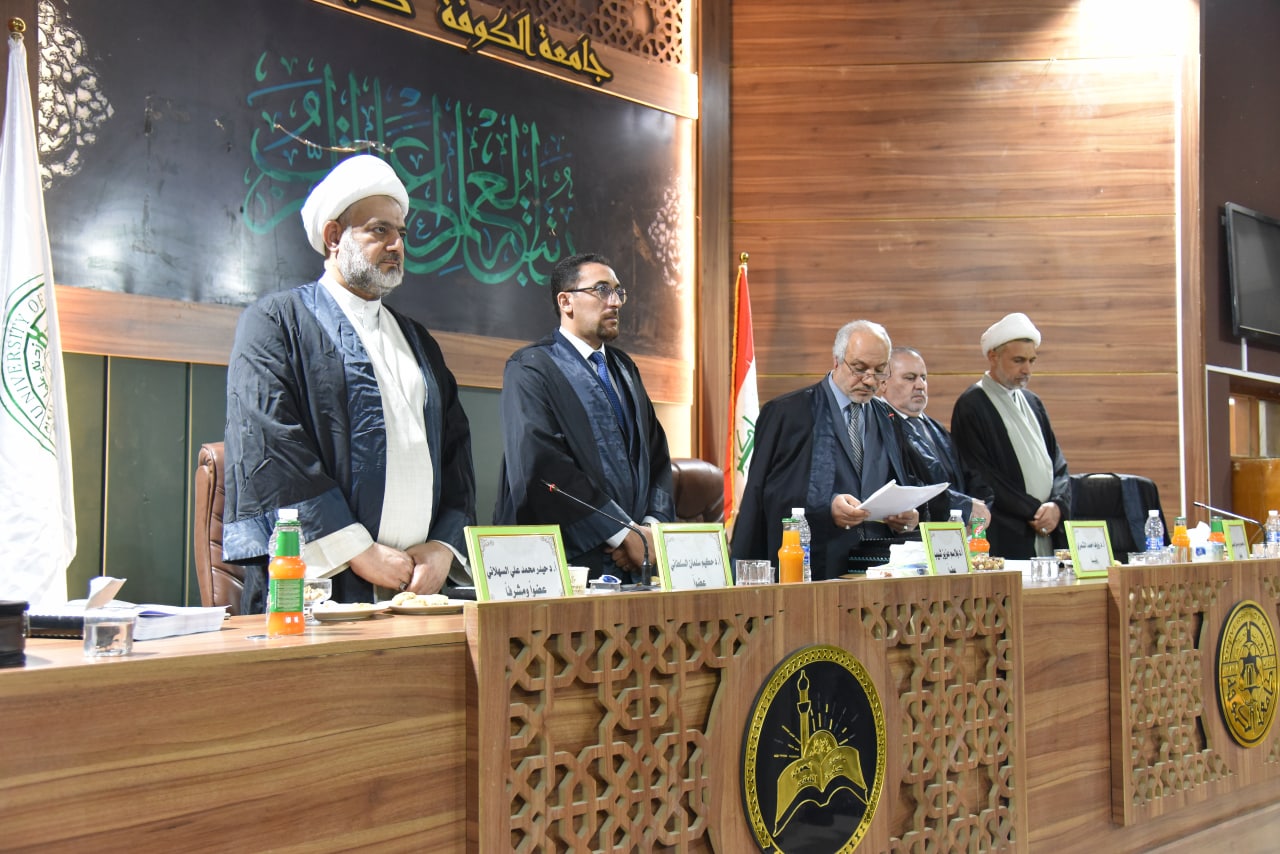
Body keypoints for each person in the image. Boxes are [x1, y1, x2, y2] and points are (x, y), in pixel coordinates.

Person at [223, 155, 476, 609]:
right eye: (379, 230)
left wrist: (442, 547)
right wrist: (356, 550)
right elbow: (272, 446)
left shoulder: (417, 340)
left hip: (419, 590)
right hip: (322, 586)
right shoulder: (276, 322)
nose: (396, 244)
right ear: (333, 237)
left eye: (402, 233)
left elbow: (455, 453)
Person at [493, 252, 674, 581]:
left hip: (638, 561)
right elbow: (541, 467)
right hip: (569, 564)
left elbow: (656, 456)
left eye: (618, 291)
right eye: (602, 290)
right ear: (566, 302)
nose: (615, 302)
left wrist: (649, 530)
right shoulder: (531, 369)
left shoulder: (624, 369)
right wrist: (623, 533)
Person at [731, 320, 922, 579]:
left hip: (878, 566)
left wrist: (907, 516)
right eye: (859, 368)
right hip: (817, 564)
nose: (869, 380)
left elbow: (904, 482)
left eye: (879, 371)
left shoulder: (888, 418)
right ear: (836, 361)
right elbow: (767, 494)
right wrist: (825, 505)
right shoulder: (788, 412)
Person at [950, 312, 1070, 559]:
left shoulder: (1033, 402)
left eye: (1031, 361)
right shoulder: (972, 404)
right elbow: (982, 475)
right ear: (993, 356)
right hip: (1006, 530)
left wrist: (1057, 505)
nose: (1027, 369)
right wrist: (1033, 510)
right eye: (1018, 360)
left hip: (1046, 525)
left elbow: (1057, 463)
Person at [880, 346, 993, 528]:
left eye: (923, 378)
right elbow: (904, 485)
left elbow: (970, 475)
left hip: (957, 534)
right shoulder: (879, 426)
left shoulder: (936, 428)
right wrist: (962, 506)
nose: (920, 385)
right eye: (910, 378)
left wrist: (980, 507)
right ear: (883, 383)